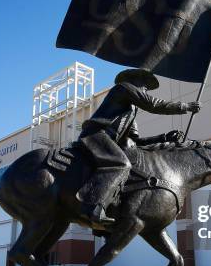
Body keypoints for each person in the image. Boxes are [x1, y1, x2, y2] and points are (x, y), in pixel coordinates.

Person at [76, 68, 201, 225]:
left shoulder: (131, 109)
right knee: (121, 164)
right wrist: (185, 106)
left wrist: (164, 137)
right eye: (145, 85)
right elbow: (152, 104)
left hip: (109, 141)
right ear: (134, 81)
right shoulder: (123, 88)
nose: (146, 89)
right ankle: (94, 207)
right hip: (96, 135)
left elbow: (136, 141)